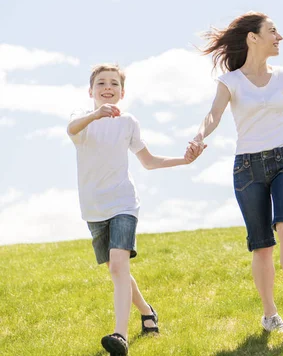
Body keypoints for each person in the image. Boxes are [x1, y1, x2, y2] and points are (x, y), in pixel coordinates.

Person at [186, 12, 283, 332]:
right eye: (273, 31)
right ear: (253, 38)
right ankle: (269, 313)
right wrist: (198, 137)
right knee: (262, 245)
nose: (280, 37)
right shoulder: (229, 82)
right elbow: (213, 115)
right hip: (247, 167)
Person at [67, 64, 200, 355]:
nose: (107, 87)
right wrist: (96, 114)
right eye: (101, 83)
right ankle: (147, 312)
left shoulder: (128, 122)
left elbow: (149, 161)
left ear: (122, 92)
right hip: (93, 208)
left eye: (114, 84)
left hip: (123, 203)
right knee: (117, 270)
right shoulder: (82, 120)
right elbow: (71, 129)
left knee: (118, 266)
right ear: (91, 91)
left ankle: (120, 336)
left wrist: (184, 160)